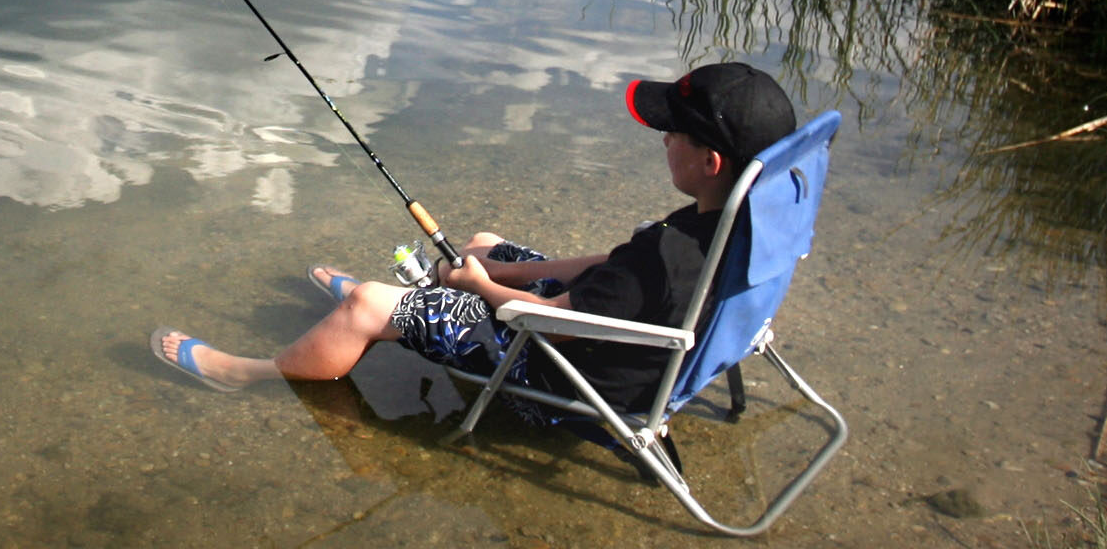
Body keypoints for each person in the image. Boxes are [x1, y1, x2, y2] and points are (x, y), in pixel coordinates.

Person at [151, 62, 798, 417]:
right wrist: (491, 271)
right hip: (640, 338)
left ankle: (255, 370)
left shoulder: (669, 256)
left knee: (369, 305)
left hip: (577, 378)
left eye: (673, 134)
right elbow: (610, 264)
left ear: (710, 162)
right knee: (485, 242)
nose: (662, 138)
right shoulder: (737, 224)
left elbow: (560, 327)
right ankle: (403, 310)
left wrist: (482, 289)